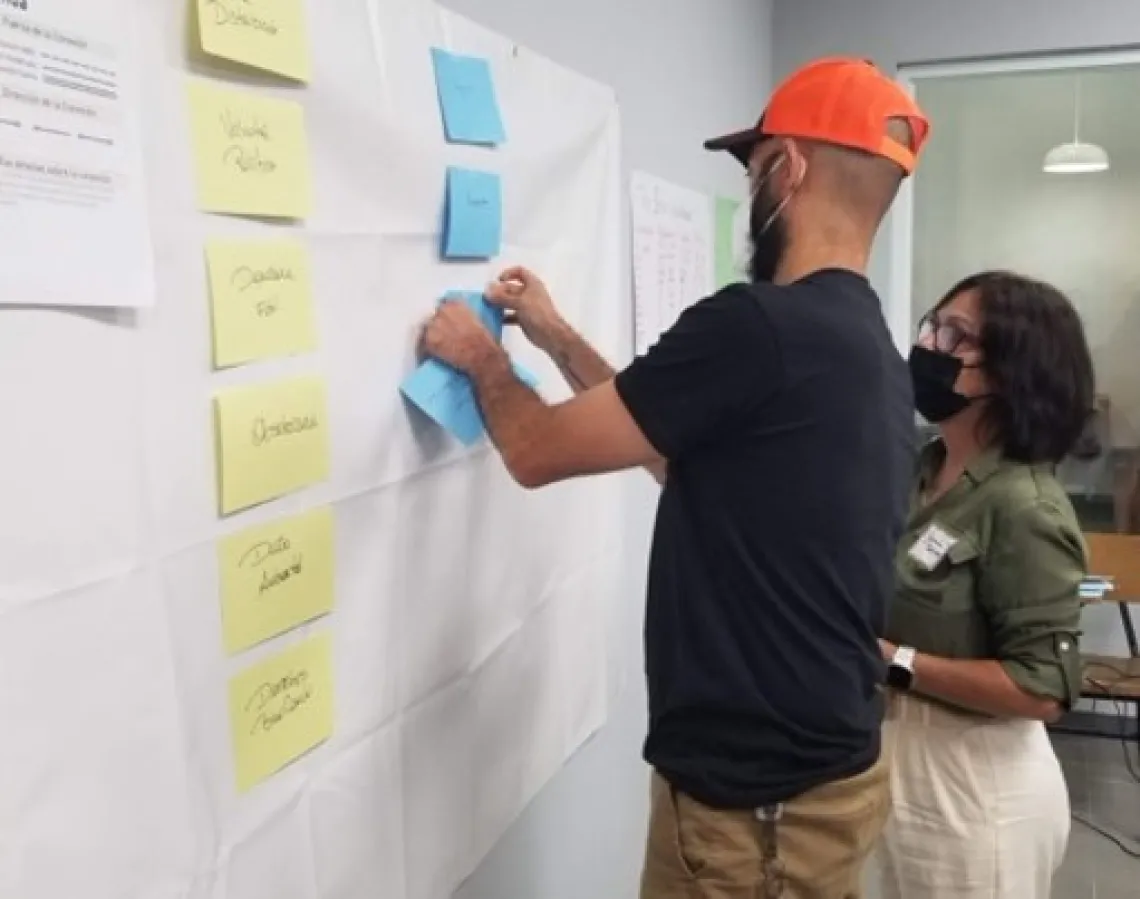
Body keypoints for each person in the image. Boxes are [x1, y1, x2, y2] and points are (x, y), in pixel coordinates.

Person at [422, 57, 929, 898]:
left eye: (755, 165)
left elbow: (537, 451)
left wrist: (480, 358)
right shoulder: (862, 344)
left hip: (756, 813)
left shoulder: (756, 324)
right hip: (817, 781)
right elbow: (674, 450)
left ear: (787, 168)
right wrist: (553, 337)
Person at [875, 271, 1095, 899]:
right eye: (931, 325)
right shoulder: (923, 469)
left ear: (1010, 372)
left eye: (954, 335)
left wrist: (893, 661)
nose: (929, 345)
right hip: (901, 769)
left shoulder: (1025, 506)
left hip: (977, 795)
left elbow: (1044, 689)